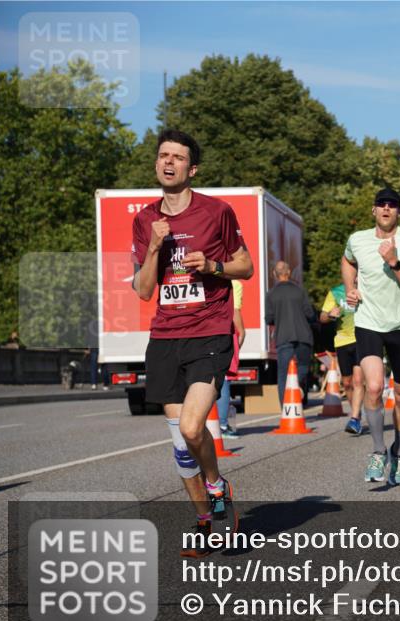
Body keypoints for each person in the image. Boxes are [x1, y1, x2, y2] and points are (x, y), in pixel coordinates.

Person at [131, 129, 253, 558]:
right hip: (165, 337)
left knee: (191, 426)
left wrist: (215, 265)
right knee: (181, 446)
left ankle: (217, 486)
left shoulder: (217, 212)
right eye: (162, 156)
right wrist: (153, 249)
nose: (168, 162)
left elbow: (247, 266)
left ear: (191, 168)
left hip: (208, 331)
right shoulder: (145, 220)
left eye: (177, 158)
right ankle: (205, 521)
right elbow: (144, 290)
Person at [342, 187, 400, 486]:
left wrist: (394, 261)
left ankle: (399, 452)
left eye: (392, 205)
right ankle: (378, 451)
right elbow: (348, 260)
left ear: (399, 212)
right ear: (374, 211)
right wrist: (350, 287)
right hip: (368, 322)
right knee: (374, 386)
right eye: (381, 204)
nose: (386, 209)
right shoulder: (358, 240)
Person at [266, 261, 316, 411]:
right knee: (303, 367)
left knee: (282, 374)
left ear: (274, 274)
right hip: (303, 336)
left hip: (283, 337)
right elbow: (310, 314)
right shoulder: (299, 291)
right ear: (288, 273)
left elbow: (269, 319)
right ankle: (298, 387)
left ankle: (286, 410)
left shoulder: (271, 294)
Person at [320, 282, 365, 434]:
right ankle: (356, 413)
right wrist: (330, 315)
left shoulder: (367, 287)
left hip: (361, 339)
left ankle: (354, 419)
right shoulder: (335, 292)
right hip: (342, 340)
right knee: (347, 382)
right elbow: (322, 317)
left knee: (358, 380)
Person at [216, 280, 245, 438]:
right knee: (223, 379)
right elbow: (235, 312)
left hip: (198, 333)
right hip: (223, 333)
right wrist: (240, 336)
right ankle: (221, 424)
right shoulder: (235, 284)